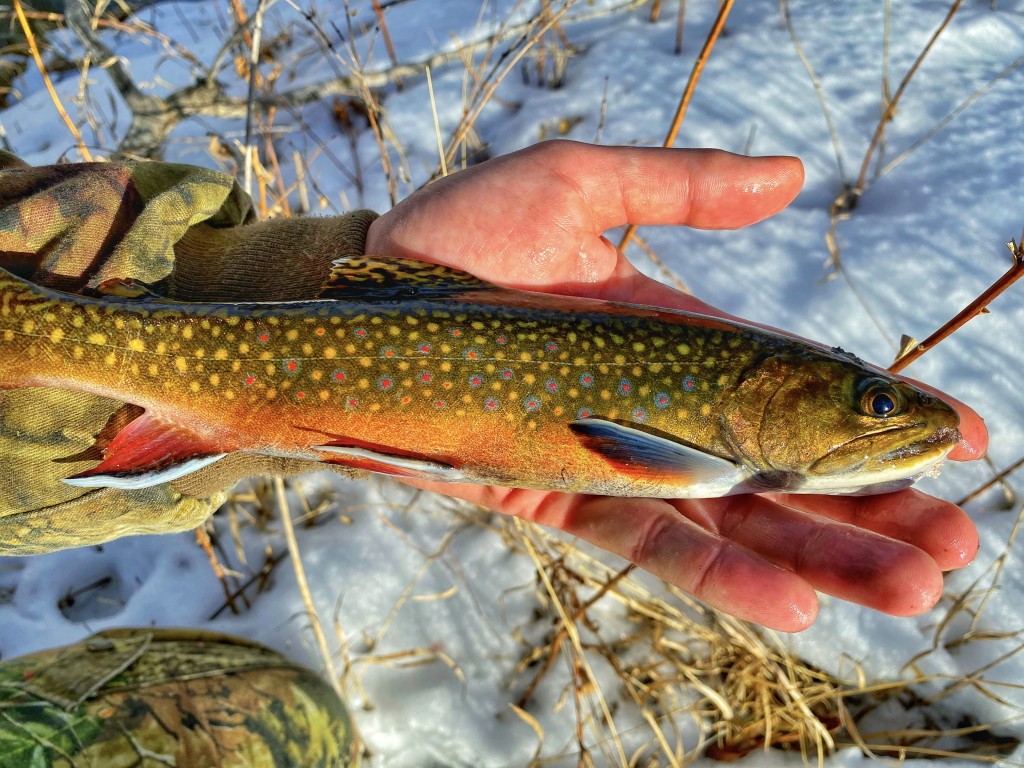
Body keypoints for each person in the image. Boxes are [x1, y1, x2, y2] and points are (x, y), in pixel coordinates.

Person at [0, 141, 985, 631]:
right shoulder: (704, 448)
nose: (887, 417)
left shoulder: (723, 435)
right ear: (774, 386)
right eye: (873, 404)